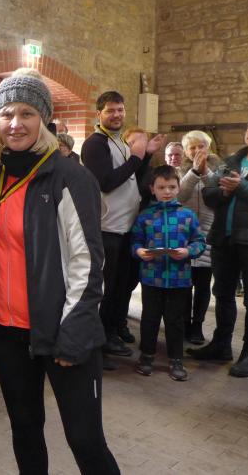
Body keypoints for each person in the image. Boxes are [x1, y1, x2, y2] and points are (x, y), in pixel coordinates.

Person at [0, 69, 119, 475]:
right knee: (25, 432)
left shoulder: (68, 176)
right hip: (8, 332)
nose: (15, 123)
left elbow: (87, 262)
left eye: (27, 113)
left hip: (62, 329)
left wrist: (75, 330)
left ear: (43, 119)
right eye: (7, 114)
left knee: (85, 440)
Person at [81, 91, 165, 366]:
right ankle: (97, 346)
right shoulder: (95, 144)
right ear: (99, 114)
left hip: (125, 227)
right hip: (107, 228)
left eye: (120, 109)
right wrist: (136, 158)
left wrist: (145, 156)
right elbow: (106, 182)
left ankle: (111, 333)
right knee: (104, 290)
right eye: (110, 110)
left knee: (120, 287)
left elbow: (132, 179)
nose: (116, 115)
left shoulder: (118, 141)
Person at [188, 111, 248, 378]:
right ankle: (221, 345)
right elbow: (209, 195)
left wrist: (239, 186)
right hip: (224, 238)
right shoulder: (232, 161)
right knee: (222, 294)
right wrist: (223, 190)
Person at [131, 165, 206, 381]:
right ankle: (147, 355)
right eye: (161, 187)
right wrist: (139, 251)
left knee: (175, 320)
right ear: (152, 189)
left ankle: (176, 359)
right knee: (150, 318)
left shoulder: (187, 215)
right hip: (151, 278)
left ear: (178, 187)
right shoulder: (145, 216)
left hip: (179, 279)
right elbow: (135, 241)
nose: (167, 191)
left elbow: (199, 241)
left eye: (172, 187)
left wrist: (188, 251)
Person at [177, 130, 220, 344]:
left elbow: (218, 197)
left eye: (200, 146)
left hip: (208, 234)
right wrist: (194, 172)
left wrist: (206, 172)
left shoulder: (219, 169)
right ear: (186, 151)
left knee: (203, 286)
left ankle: (197, 327)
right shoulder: (179, 171)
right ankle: (185, 324)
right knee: (185, 286)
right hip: (184, 235)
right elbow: (180, 196)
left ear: (208, 148)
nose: (196, 151)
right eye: (192, 147)